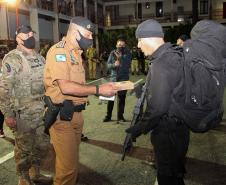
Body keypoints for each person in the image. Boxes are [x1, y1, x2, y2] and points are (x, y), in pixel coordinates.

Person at [44, 16, 117, 185]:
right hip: (62, 117)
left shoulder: (76, 53)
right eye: (88, 35)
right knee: (68, 170)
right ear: (75, 32)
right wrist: (98, 90)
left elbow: (78, 85)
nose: (90, 39)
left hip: (76, 114)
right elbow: (66, 87)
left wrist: (99, 91)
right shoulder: (59, 52)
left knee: (69, 165)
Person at [126, 19, 190, 185]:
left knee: (167, 178)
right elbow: (169, 92)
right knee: (175, 175)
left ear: (148, 38)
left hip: (168, 133)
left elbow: (158, 108)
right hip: (177, 130)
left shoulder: (163, 62)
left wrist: (137, 129)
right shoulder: (172, 54)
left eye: (139, 40)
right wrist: (141, 91)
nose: (138, 46)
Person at [0, 25, 52, 185]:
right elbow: (3, 89)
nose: (30, 36)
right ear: (18, 38)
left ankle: (35, 173)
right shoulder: (12, 58)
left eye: (31, 33)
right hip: (22, 113)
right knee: (24, 148)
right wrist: (7, 114)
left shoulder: (39, 57)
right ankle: (23, 177)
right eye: (25, 34)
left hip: (41, 111)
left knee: (41, 145)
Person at [103, 38, 132, 122]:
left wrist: (120, 58)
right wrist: (114, 64)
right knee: (110, 98)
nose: (121, 47)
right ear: (116, 45)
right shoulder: (112, 53)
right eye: (119, 45)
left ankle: (120, 116)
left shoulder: (128, 53)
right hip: (113, 78)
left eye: (123, 45)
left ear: (125, 46)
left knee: (122, 99)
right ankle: (108, 116)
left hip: (124, 78)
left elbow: (127, 64)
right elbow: (108, 65)